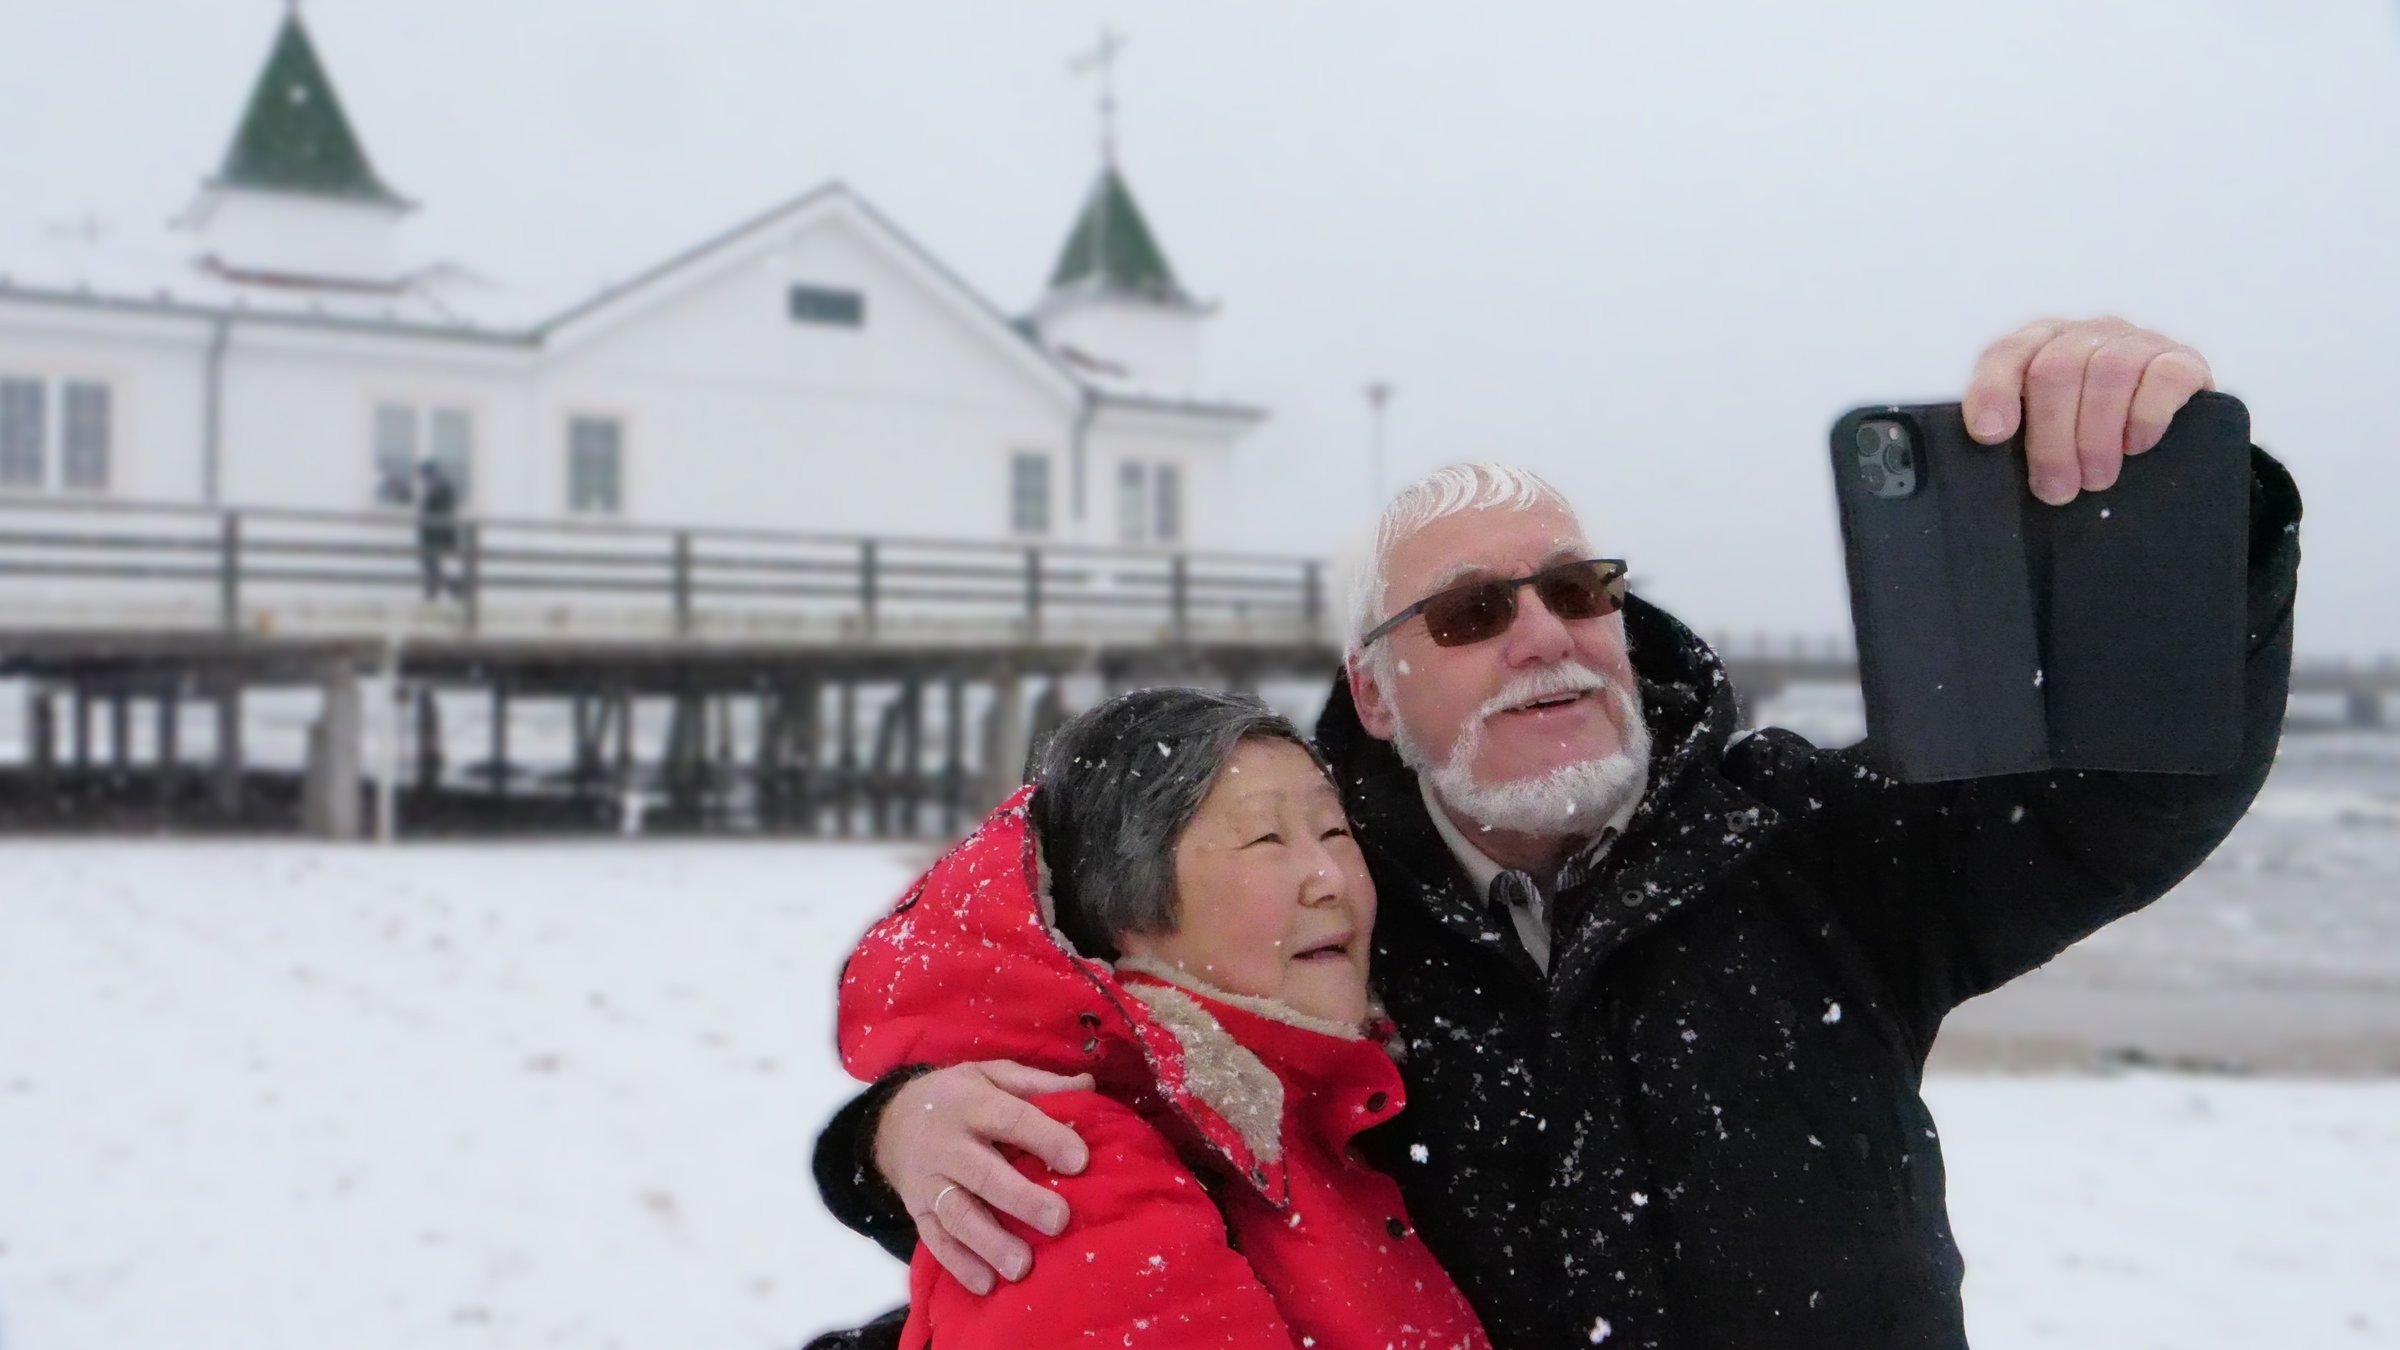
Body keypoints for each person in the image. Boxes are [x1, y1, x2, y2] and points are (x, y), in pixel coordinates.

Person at [812, 317, 2302, 1347]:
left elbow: (2131, 791)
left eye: (1578, 587)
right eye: (1468, 611)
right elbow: (1074, 1022)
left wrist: (2185, 522)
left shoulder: (1805, 846)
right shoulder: (1314, 914)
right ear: (1376, 697)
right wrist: (896, 1129)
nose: (1544, 632)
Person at [828, 688, 1492, 1350]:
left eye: (1334, 831)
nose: (1329, 878)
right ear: (1130, 912)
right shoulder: (1067, 1162)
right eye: (1266, 838)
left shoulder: (1336, 1105)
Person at [415, 459, 460, 601]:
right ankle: (448, 591)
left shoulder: (439, 488)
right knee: (435, 568)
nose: (423, 480)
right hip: (436, 537)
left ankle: (451, 591)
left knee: (435, 568)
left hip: (437, 537)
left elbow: (441, 512)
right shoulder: (438, 487)